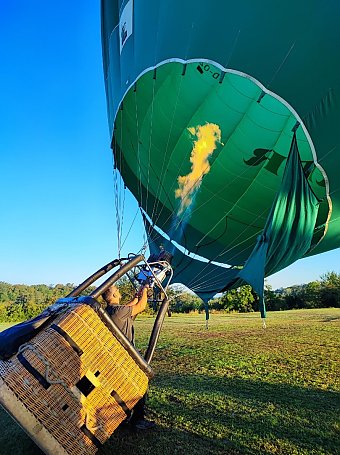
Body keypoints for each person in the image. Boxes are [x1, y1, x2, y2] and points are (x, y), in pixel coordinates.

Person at [102, 284, 155, 430]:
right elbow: (140, 307)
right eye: (116, 290)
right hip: (127, 357)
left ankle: (125, 417)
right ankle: (138, 419)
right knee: (140, 382)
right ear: (112, 295)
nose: (119, 291)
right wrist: (144, 291)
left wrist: (137, 295)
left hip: (118, 356)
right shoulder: (119, 311)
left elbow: (131, 305)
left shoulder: (111, 311)